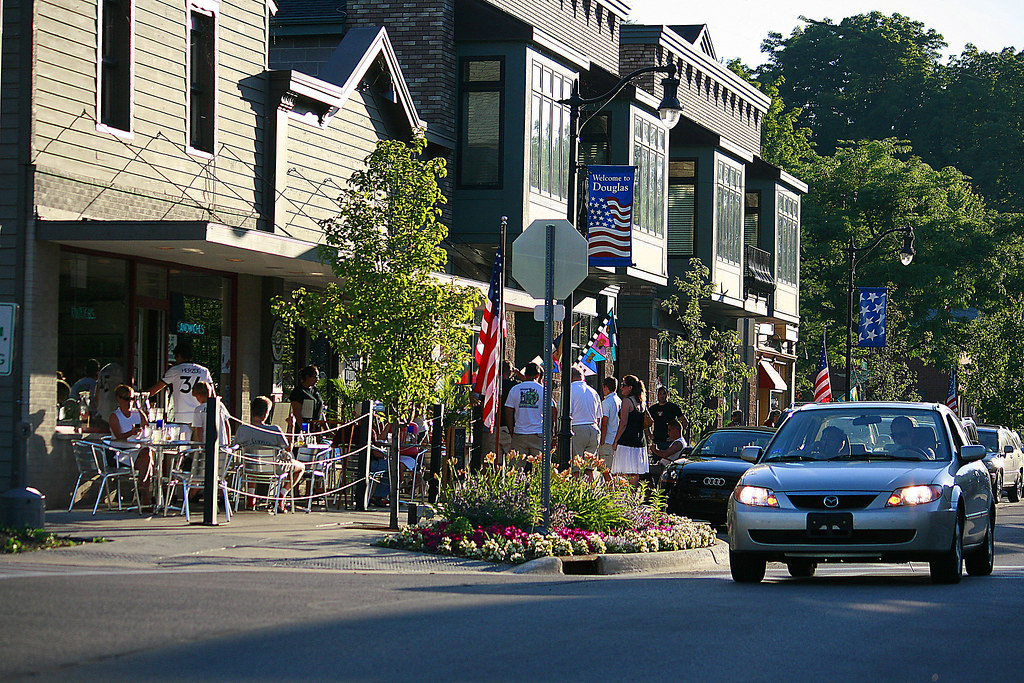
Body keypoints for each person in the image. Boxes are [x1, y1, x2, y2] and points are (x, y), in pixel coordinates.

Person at [234, 396, 304, 511]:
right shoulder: (274, 430)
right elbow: (289, 448)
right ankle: (281, 496)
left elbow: (235, 445)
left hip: (250, 467)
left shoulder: (243, 429)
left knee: (253, 460)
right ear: (266, 413)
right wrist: (291, 426)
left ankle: (251, 498)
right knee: (301, 467)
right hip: (273, 468)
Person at [107, 384, 153, 505]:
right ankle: (143, 492)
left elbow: (148, 430)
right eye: (126, 398)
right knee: (147, 458)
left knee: (147, 455)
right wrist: (130, 433)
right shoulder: (115, 416)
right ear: (118, 399)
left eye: (131, 399)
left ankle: (142, 488)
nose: (129, 402)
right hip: (119, 452)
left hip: (135, 451)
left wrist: (143, 434)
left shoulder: (138, 413)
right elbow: (118, 436)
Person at [148, 341, 212, 424]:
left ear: (178, 356)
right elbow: (212, 394)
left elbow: (155, 389)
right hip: (201, 416)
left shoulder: (175, 370)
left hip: (182, 417)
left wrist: (140, 395)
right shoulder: (204, 371)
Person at [504, 362, 557, 461]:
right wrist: (551, 432)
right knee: (540, 469)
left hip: (520, 433)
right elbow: (552, 412)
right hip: (538, 434)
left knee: (516, 468)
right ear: (538, 375)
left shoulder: (515, 389)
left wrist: (512, 430)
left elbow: (508, 412)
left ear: (525, 374)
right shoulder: (543, 391)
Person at [611, 374, 649, 486]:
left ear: (630, 388)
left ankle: (626, 498)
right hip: (640, 442)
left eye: (623, 385)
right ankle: (633, 498)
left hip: (627, 442)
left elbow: (623, 423)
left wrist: (615, 440)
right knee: (635, 473)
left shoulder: (627, 401)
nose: (621, 388)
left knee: (624, 473)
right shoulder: (642, 402)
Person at [570, 366, 602, 459]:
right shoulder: (593, 392)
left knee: (576, 466)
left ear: (570, 377)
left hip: (577, 428)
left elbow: (565, 413)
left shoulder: (570, 390)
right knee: (589, 467)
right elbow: (599, 416)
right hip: (593, 428)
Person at [190, 381, 232, 449]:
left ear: (198, 395)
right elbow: (226, 424)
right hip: (223, 443)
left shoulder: (199, 410)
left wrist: (201, 445)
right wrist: (228, 441)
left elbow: (199, 429)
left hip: (207, 443)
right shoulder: (220, 405)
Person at [288, 365, 326, 438]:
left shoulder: (315, 390)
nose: (317, 379)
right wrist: (305, 431)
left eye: (318, 377)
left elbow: (321, 411)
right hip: (304, 430)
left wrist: (326, 430)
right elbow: (297, 413)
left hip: (316, 429)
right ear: (307, 377)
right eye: (315, 376)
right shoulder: (299, 391)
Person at [498, 360, 522, 461]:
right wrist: (518, 373)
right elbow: (529, 384)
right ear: (510, 372)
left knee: (493, 464)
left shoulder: (492, 386)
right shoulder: (515, 387)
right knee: (513, 463)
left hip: (493, 426)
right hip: (509, 427)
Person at [599, 376, 621, 473]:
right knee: (614, 470)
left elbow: (604, 421)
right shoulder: (620, 401)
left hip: (608, 440)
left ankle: (609, 488)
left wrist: (602, 440)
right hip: (617, 440)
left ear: (606, 387)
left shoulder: (606, 402)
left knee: (605, 470)